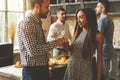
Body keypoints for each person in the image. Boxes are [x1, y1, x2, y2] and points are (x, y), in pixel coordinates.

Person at [18, 0, 63, 80]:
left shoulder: (37, 23)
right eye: (46, 7)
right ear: (37, 7)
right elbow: (33, 51)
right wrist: (55, 43)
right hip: (33, 73)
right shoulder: (27, 23)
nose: (49, 10)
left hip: (42, 70)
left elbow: (39, 47)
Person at [63, 8, 104, 80]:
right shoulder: (77, 32)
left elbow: (99, 59)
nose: (78, 20)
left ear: (89, 18)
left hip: (85, 70)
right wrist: (67, 48)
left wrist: (98, 78)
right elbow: (73, 51)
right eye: (77, 18)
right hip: (72, 67)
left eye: (81, 17)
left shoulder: (98, 36)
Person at [95, 0, 115, 80]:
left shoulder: (101, 20)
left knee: (102, 74)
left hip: (102, 50)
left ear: (102, 9)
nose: (95, 8)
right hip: (109, 49)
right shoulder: (110, 19)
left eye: (97, 6)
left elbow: (98, 37)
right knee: (105, 73)